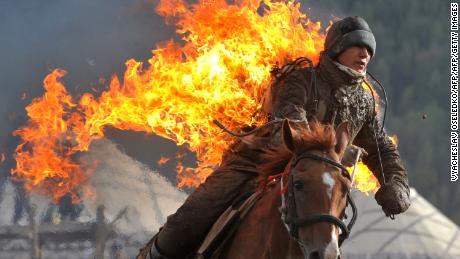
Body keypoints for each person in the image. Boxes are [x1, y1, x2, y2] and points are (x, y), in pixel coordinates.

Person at [139, 16, 410, 259]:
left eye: (369, 49)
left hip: (317, 183)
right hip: (255, 165)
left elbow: (381, 149)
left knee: (329, 234)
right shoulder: (302, 80)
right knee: (186, 224)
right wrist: (319, 156)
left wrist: (395, 184)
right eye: (357, 45)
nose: (365, 53)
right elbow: (289, 125)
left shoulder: (364, 101)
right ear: (338, 47)